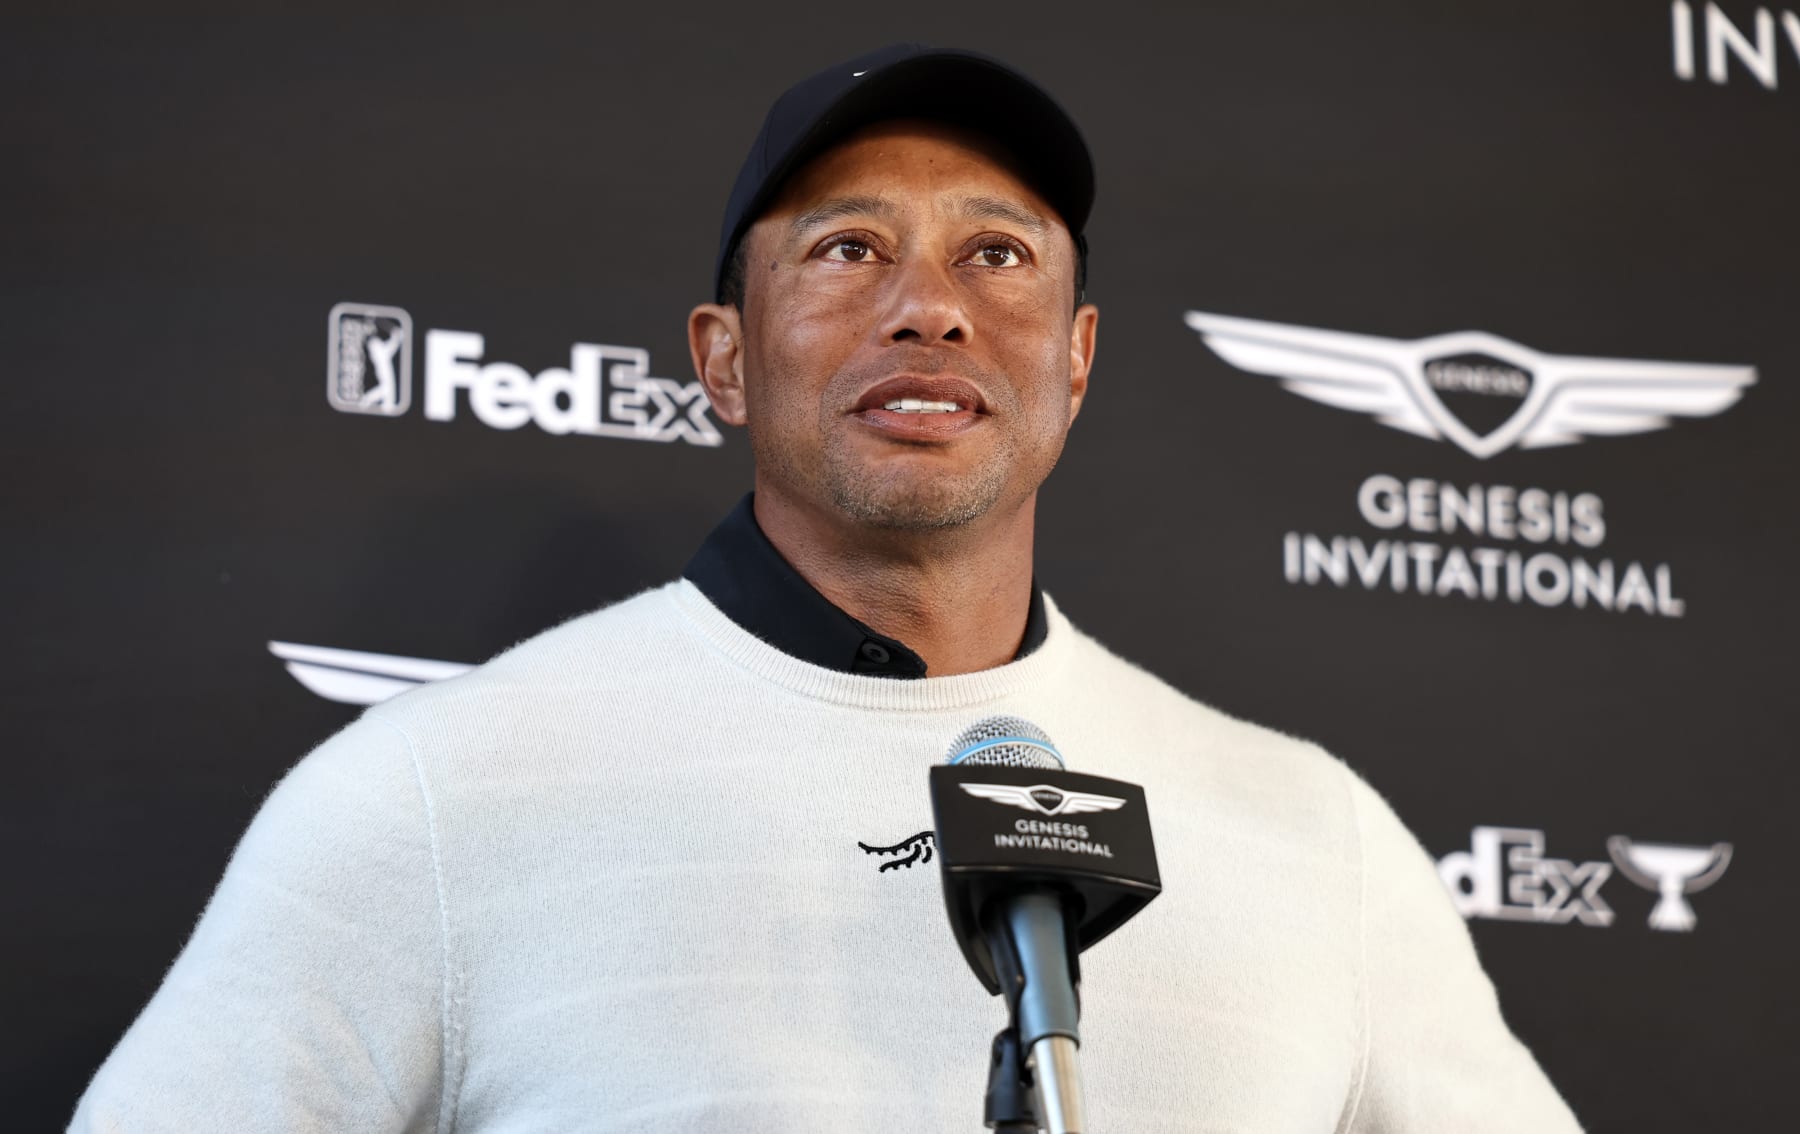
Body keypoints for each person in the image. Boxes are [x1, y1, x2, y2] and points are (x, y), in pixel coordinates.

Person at [71, 44, 1582, 1132]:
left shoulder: (1313, 835)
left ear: (1077, 361)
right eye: (849, 249)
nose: (931, 306)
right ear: (722, 358)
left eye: (998, 255)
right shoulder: (432, 794)